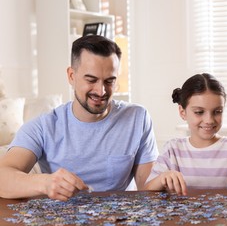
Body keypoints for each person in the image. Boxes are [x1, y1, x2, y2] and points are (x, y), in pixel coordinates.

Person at [0, 35, 159, 201]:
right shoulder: (42, 127)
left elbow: (147, 186)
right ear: (71, 76)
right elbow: (2, 178)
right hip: (62, 223)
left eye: (109, 81)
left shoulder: (138, 118)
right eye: (91, 80)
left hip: (120, 222)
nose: (101, 91)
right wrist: (46, 183)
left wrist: (166, 178)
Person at [144, 73, 227, 195]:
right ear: (182, 112)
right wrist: (162, 178)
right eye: (199, 112)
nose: (209, 120)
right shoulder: (172, 150)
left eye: (217, 111)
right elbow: (147, 190)